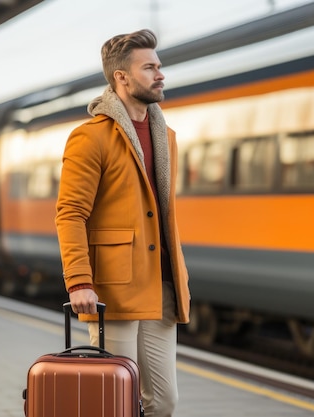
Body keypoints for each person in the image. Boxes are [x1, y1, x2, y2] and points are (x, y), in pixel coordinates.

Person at [55, 28, 191, 417]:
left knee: (163, 402)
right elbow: (71, 212)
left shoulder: (167, 137)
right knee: (114, 401)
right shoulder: (91, 137)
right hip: (113, 290)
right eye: (149, 67)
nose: (160, 74)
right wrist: (79, 280)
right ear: (122, 77)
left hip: (161, 286)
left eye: (159, 66)